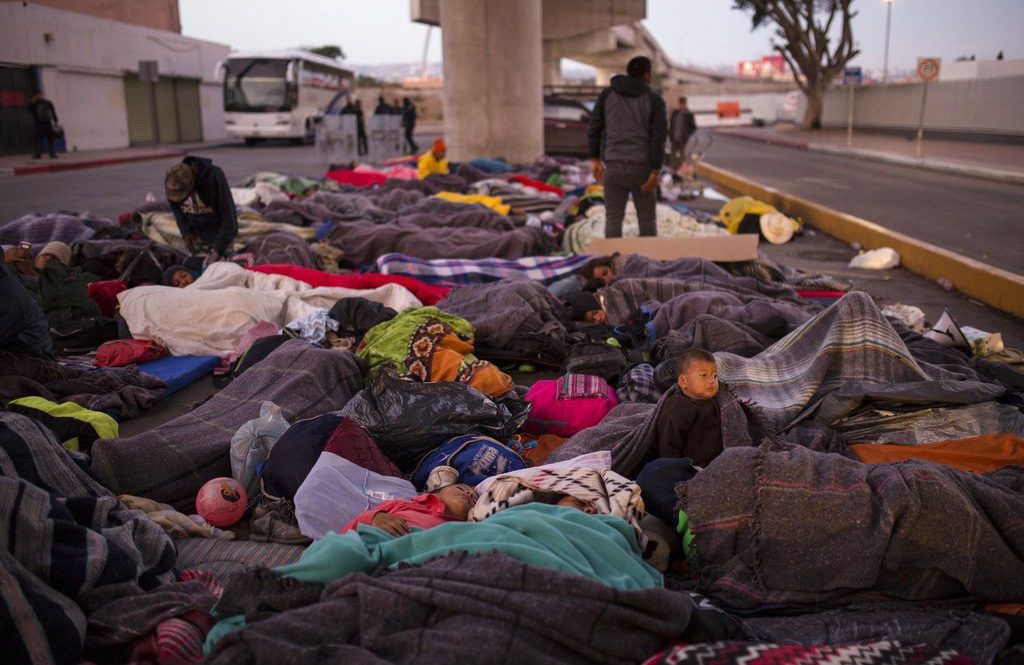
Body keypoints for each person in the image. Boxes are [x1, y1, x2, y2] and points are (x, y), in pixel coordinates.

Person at [587, 56, 667, 238]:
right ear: (647, 75)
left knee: (613, 218)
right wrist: (655, 171)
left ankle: (614, 263)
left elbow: (594, 127)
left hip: (613, 166)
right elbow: (658, 137)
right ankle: (648, 263)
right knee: (646, 219)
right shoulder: (654, 100)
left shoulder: (607, 95)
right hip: (642, 168)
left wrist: (595, 160)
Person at [653, 348, 722, 467]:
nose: (711, 381)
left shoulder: (718, 400)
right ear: (683, 381)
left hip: (719, 459)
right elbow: (668, 444)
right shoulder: (677, 407)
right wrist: (674, 468)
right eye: (704, 375)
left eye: (714, 376)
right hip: (692, 466)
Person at [164, 156, 238, 260]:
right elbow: (176, 207)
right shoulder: (173, 179)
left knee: (223, 268)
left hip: (220, 233)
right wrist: (186, 232)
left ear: (192, 183)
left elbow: (228, 214)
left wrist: (219, 248)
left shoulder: (214, 175)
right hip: (197, 234)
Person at [341, 483, 479, 537]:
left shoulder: (463, 529)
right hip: (373, 542)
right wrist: (375, 518)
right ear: (438, 493)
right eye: (461, 488)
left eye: (474, 499)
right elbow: (347, 531)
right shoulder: (402, 504)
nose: (469, 494)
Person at [668, 96, 697, 171]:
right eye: (680, 104)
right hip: (674, 138)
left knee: (682, 156)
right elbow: (671, 123)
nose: (682, 105)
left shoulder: (689, 114)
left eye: (683, 104)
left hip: (682, 139)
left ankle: (682, 172)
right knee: (673, 155)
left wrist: (687, 135)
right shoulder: (675, 112)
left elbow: (693, 127)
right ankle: (673, 171)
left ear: (685, 104)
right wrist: (670, 134)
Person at [29, 93, 59, 159]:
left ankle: (39, 154)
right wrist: (56, 121)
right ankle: (51, 154)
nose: (39, 96)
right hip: (44, 123)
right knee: (48, 139)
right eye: (39, 95)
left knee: (39, 139)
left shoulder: (44, 103)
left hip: (41, 123)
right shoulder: (47, 103)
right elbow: (53, 112)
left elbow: (53, 111)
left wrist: (55, 121)